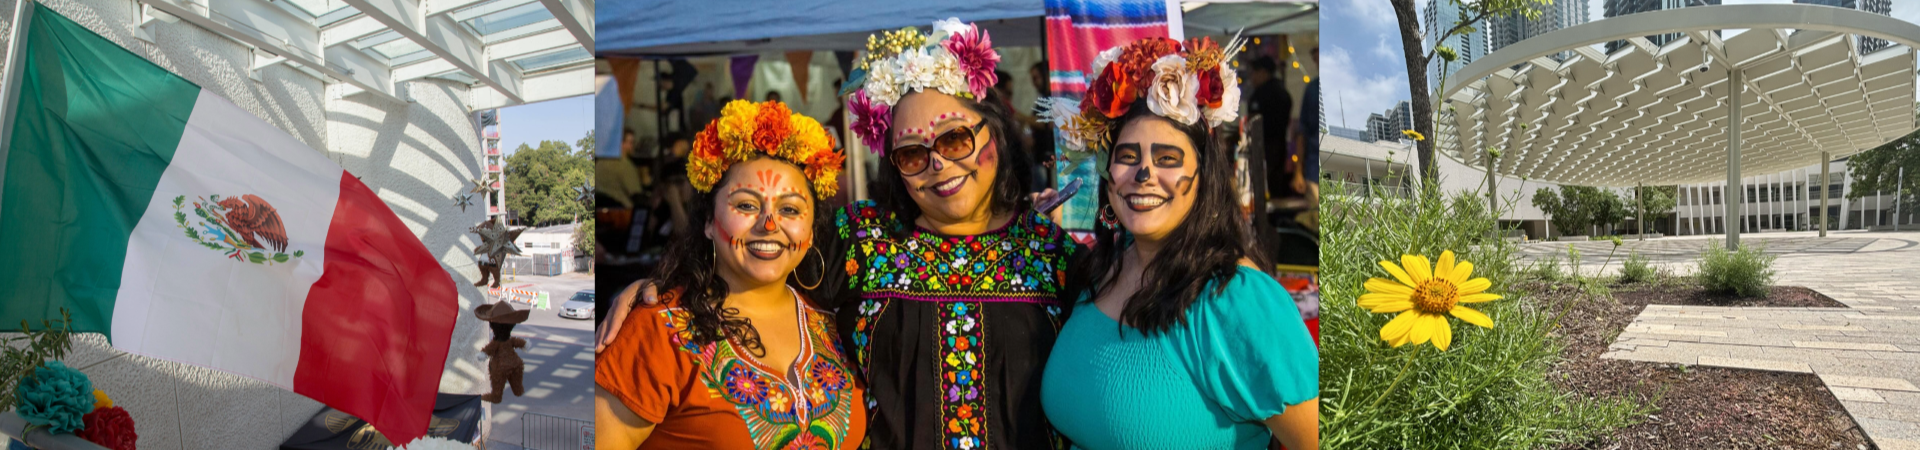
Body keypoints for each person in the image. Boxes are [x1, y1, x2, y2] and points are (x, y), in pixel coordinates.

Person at [598, 19, 1078, 450]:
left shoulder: (1055, 255)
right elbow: (755, 269)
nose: (938, 164)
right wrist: (656, 288)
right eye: (912, 154)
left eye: (954, 139)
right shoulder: (858, 240)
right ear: (895, 169)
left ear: (992, 132)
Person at [1041, 37, 1320, 450]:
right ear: (1108, 173)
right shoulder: (1101, 269)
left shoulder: (1237, 300)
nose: (1144, 174)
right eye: (1128, 156)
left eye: (1168, 158)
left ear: (1203, 178)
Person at [595, 100, 863, 449]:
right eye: (747, 205)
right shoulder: (658, 330)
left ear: (810, 232)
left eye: (790, 209)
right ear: (708, 221)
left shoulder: (836, 325)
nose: (769, 225)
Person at [1247, 56, 1292, 204]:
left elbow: (1254, 122)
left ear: (1263, 72)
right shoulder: (1282, 91)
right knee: (1274, 186)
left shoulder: (1263, 93)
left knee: (1263, 186)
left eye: (1254, 72)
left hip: (1265, 147)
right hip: (1279, 146)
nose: (1252, 77)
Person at [596, 128, 647, 209]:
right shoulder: (625, 165)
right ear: (620, 143)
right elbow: (636, 195)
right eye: (630, 143)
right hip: (623, 211)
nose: (632, 146)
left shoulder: (599, 163)